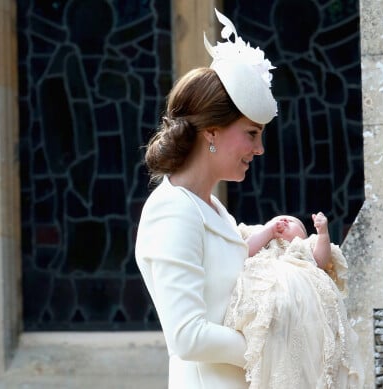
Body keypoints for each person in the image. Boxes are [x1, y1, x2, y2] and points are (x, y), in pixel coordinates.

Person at [135, 9, 277, 389]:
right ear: (212, 132)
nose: (259, 149)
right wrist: (270, 345)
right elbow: (187, 336)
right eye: (251, 134)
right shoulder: (172, 211)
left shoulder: (212, 208)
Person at [224, 212, 364, 388]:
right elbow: (243, 252)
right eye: (276, 219)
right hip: (268, 296)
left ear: (303, 234)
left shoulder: (303, 247)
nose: (283, 221)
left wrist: (323, 233)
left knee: (307, 344)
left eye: (292, 221)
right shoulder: (264, 243)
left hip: (302, 307)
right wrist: (268, 231)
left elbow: (320, 261)